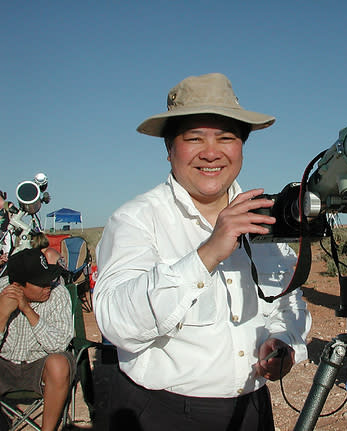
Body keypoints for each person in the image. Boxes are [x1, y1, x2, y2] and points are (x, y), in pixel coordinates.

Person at [93, 73, 311, 430]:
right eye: (194, 139)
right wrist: (207, 253)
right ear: (169, 149)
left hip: (252, 411)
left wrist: (283, 344)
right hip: (160, 413)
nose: (211, 153)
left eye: (226, 138)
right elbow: (117, 323)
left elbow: (288, 304)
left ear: (241, 146)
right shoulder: (136, 220)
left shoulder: (265, 217)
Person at [0, 248, 75, 431]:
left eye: (48, 279)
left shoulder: (57, 293)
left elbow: (59, 344)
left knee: (59, 363)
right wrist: (2, 314)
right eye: (41, 284)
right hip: (4, 364)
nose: (47, 286)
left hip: (38, 365)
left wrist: (28, 310)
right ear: (18, 285)